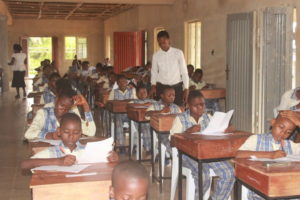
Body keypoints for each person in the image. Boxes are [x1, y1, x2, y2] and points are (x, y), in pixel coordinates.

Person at [170, 90, 235, 200]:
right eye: (196, 106)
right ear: (188, 106)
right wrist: (187, 132)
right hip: (188, 156)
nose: (200, 108)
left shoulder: (208, 117)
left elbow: (216, 133)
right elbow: (172, 141)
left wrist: (226, 129)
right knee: (203, 176)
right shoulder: (180, 119)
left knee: (229, 172)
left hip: (209, 153)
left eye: (202, 104)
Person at [21, 113, 118, 170]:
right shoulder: (52, 152)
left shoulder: (88, 151)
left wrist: (113, 159)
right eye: (66, 132)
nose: (71, 136)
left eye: (76, 132)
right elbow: (25, 164)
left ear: (81, 133)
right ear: (59, 131)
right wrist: (58, 161)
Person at [236, 114, 300, 200]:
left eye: (288, 132)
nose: (283, 133)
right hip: (260, 190)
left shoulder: (290, 145)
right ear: (273, 122)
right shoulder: (256, 139)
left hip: (284, 189)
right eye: (281, 127)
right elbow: (238, 154)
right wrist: (270, 155)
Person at [24, 88, 96, 140]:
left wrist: (85, 105)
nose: (63, 110)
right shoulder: (43, 113)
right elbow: (28, 133)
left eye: (68, 108)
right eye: (61, 105)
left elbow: (91, 132)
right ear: (56, 101)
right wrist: (50, 135)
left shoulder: (71, 116)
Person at [150, 30, 189, 106]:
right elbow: (154, 72)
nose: (162, 45)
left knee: (177, 111)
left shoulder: (178, 53)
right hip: (162, 87)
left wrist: (186, 88)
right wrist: (153, 85)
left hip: (176, 88)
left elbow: (184, 72)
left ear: (169, 40)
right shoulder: (156, 55)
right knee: (161, 110)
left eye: (164, 42)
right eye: (159, 43)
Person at [146, 86, 182, 153]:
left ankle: (178, 159)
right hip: (162, 133)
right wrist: (160, 112)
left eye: (173, 95)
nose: (172, 97)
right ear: (162, 96)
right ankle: (175, 157)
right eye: (169, 95)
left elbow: (181, 118)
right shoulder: (155, 106)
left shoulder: (176, 107)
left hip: (175, 132)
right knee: (169, 142)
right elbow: (147, 114)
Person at [108, 75, 137, 149]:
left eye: (124, 82)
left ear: (127, 82)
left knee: (136, 122)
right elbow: (109, 103)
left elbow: (136, 102)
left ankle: (134, 144)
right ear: (117, 83)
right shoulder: (114, 92)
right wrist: (116, 103)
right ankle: (121, 146)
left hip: (129, 114)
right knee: (118, 122)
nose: (122, 83)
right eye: (120, 82)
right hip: (118, 114)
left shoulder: (132, 91)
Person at [129, 85, 156, 153]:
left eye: (144, 92)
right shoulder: (133, 101)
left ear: (147, 93)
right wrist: (144, 105)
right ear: (137, 94)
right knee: (146, 129)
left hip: (151, 122)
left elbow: (160, 105)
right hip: (139, 123)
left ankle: (158, 150)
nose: (142, 94)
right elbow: (130, 106)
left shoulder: (151, 101)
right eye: (140, 93)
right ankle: (149, 149)